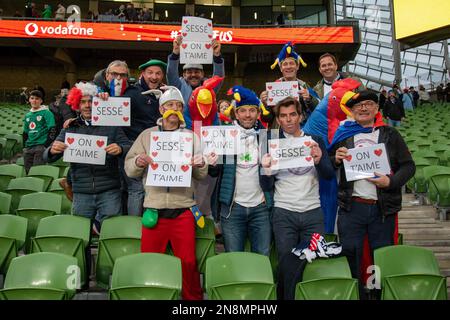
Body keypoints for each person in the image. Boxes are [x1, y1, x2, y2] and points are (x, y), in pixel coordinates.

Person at [329, 91, 415, 298]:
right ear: (352, 110)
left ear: (376, 109)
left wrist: (391, 182)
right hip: (352, 208)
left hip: (381, 208)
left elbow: (408, 166)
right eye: (359, 105)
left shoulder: (390, 134)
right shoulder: (344, 135)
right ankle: (357, 293)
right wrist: (336, 159)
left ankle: (377, 294)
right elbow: (329, 162)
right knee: (351, 253)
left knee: (381, 256)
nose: (364, 108)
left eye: (368, 104)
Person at [124, 86, 207, 300]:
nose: (174, 109)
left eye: (178, 106)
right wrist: (138, 162)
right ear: (161, 109)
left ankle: (193, 302)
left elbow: (201, 174)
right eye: (170, 105)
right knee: (150, 261)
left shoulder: (191, 137)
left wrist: (200, 163)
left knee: (188, 262)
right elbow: (129, 169)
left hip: (184, 209)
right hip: (154, 209)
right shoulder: (147, 136)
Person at [44, 82, 131, 232]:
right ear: (76, 105)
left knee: (112, 233)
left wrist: (121, 149)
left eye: (91, 101)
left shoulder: (112, 125)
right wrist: (52, 150)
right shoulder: (70, 127)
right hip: (81, 192)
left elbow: (130, 148)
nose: (87, 105)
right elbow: (48, 157)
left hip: (109, 190)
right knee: (80, 234)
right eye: (83, 102)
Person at [261, 97, 334, 262]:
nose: (288, 119)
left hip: (313, 211)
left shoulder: (315, 140)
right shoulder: (271, 143)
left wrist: (320, 161)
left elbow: (328, 175)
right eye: (284, 115)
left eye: (293, 114)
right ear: (278, 119)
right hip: (283, 212)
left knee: (315, 262)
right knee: (287, 262)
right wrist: (266, 170)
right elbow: (265, 185)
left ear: (300, 116)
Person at [209, 86, 273, 256]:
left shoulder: (267, 137)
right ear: (236, 114)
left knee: (262, 256)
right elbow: (214, 173)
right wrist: (213, 163)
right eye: (242, 110)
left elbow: (275, 175)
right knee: (234, 257)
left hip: (261, 207)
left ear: (258, 113)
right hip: (232, 207)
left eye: (252, 110)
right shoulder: (226, 136)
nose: (247, 115)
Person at [121, 59, 167, 216]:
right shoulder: (133, 93)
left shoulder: (166, 94)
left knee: (154, 189)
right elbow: (119, 118)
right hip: (136, 148)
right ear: (143, 74)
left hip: (159, 151)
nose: (154, 77)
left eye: (158, 73)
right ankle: (135, 230)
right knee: (137, 190)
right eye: (150, 73)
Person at [167, 35, 225, 129]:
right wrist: (175, 53)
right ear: (184, 75)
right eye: (189, 72)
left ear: (202, 74)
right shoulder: (179, 86)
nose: (193, 75)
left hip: (208, 130)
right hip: (185, 130)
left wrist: (217, 56)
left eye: (197, 72)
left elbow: (219, 78)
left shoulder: (209, 87)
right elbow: (171, 74)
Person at [260, 42, 318, 128]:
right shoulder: (272, 89)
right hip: (279, 134)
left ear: (297, 66)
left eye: (291, 63)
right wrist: (265, 105)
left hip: (301, 132)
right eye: (285, 64)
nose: (288, 67)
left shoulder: (304, 86)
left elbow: (318, 111)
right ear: (280, 68)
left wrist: (310, 99)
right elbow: (266, 119)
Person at [22, 90, 56, 173]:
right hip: (29, 147)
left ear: (41, 101)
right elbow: (25, 132)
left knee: (37, 172)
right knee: (28, 172)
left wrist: (46, 145)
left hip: (40, 146)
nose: (34, 100)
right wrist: (25, 146)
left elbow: (52, 129)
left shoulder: (46, 113)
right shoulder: (28, 115)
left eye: (37, 99)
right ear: (29, 100)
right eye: (32, 98)